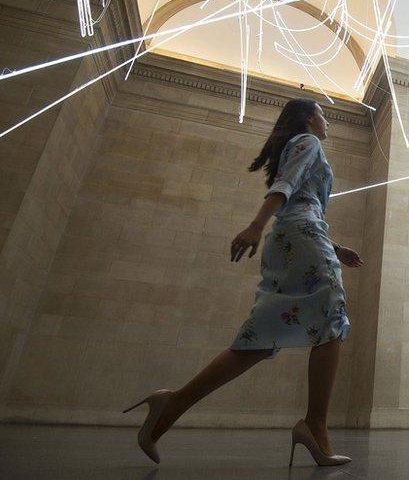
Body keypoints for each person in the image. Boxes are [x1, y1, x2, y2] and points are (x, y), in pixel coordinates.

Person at [123, 98, 364, 467]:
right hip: (302, 236)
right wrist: (255, 224)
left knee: (259, 338)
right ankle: (315, 426)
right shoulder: (309, 142)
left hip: (294, 237)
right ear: (307, 118)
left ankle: (171, 405)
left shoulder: (298, 145)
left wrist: (335, 246)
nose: (327, 122)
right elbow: (286, 188)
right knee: (333, 318)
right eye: (323, 114)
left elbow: (296, 201)